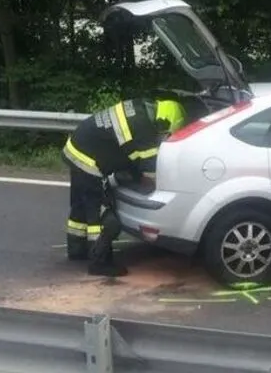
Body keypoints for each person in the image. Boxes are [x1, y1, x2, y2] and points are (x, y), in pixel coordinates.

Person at [62, 97, 187, 276]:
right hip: (89, 163)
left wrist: (135, 174)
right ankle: (99, 262)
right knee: (102, 217)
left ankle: (76, 250)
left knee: (80, 206)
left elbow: (128, 150)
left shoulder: (140, 107)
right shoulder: (144, 128)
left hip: (75, 149)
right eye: (167, 133)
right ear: (165, 122)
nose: (164, 136)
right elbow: (150, 165)